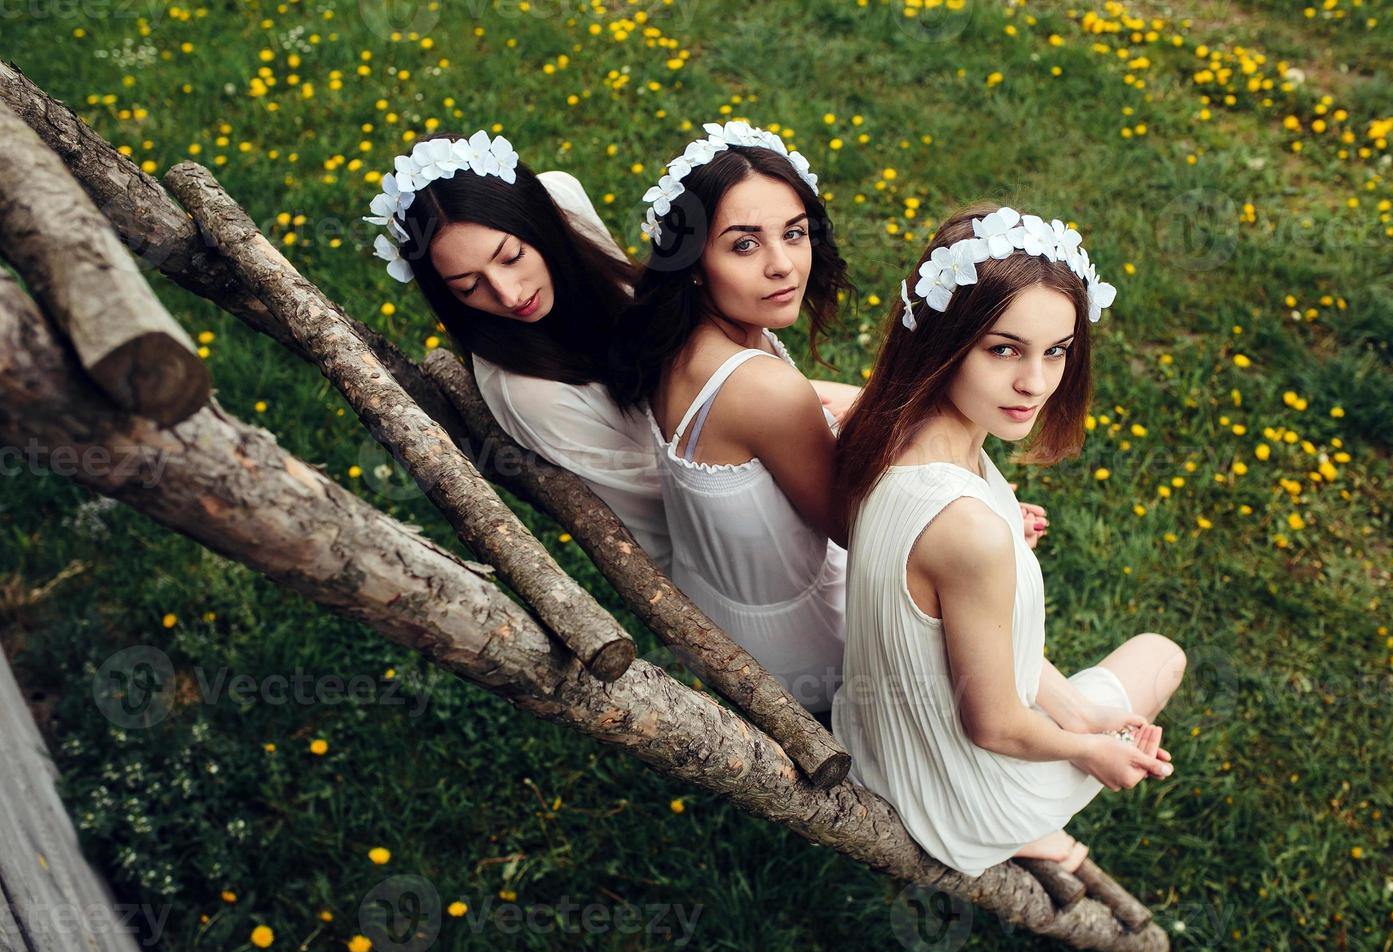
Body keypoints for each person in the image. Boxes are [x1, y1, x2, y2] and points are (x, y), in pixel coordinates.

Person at [829, 203, 1187, 875]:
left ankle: (1081, 715)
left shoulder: (895, 431)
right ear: (944, 342)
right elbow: (992, 726)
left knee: (1103, 700)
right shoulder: (969, 531)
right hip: (954, 790)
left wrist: (1080, 717)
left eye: (1056, 351)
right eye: (1004, 349)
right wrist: (1090, 752)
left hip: (882, 735)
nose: (1035, 383)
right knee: (1161, 655)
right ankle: (1030, 829)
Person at [605, 122, 853, 714]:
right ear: (693, 260)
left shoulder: (682, 336)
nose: (783, 266)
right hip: (806, 649)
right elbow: (856, 529)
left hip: (726, 602)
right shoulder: (762, 389)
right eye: (744, 244)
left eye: (794, 234)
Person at [362, 128, 672, 571]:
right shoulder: (528, 393)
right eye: (468, 286)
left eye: (511, 258)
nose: (508, 295)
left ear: (539, 222)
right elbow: (667, 501)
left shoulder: (562, 198)